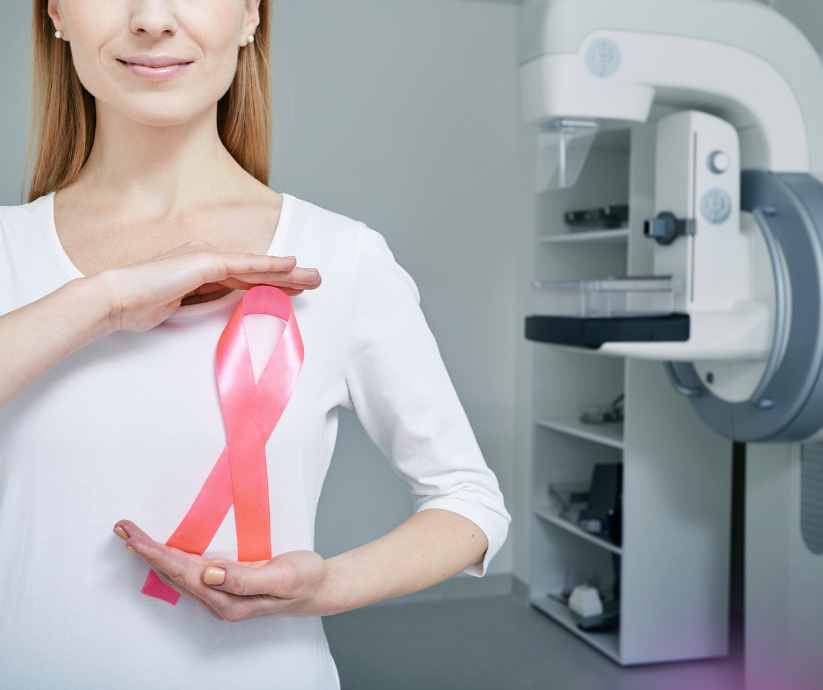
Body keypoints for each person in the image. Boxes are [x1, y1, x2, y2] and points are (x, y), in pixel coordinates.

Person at [0, 1, 512, 689]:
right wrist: (104, 301)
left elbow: (469, 501)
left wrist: (325, 585)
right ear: (56, 13)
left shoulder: (343, 258)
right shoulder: (7, 250)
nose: (152, 17)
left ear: (249, 15)